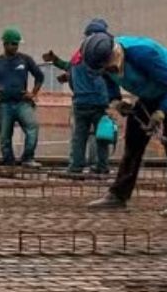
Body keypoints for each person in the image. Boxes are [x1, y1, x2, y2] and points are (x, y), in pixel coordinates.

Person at [81, 30, 167, 216]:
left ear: (114, 54)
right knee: (134, 140)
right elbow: (108, 81)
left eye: (107, 67)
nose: (106, 71)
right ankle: (118, 196)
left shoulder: (142, 54)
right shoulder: (101, 63)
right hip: (149, 93)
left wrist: (162, 111)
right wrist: (116, 101)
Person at [44, 18, 122, 177]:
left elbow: (71, 68)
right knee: (102, 136)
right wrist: (116, 98)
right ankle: (102, 166)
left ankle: (76, 167)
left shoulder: (78, 56)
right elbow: (108, 76)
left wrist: (56, 62)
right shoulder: (99, 55)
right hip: (99, 101)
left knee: (79, 137)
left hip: (81, 102)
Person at [0, 28, 44, 168]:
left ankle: (28, 158)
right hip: (4, 104)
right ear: (5, 44)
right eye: (12, 44)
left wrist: (33, 93)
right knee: (4, 136)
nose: (15, 47)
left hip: (22, 103)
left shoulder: (25, 60)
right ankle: (9, 162)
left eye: (17, 44)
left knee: (32, 128)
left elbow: (39, 76)